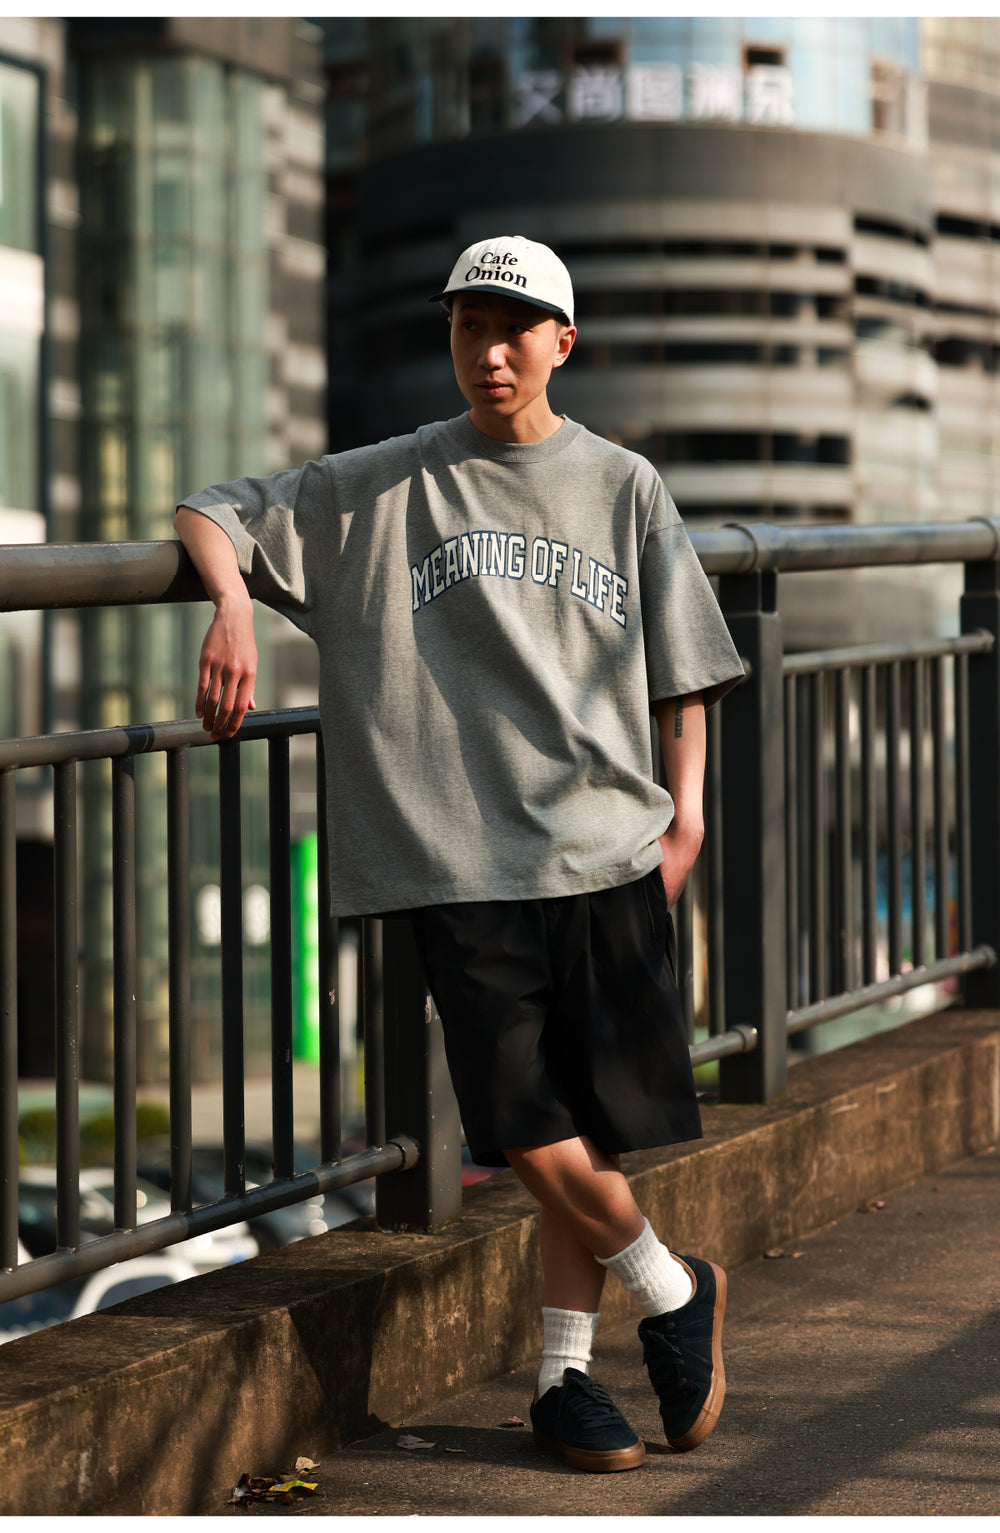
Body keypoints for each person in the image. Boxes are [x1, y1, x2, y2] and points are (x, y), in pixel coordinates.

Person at [174, 235, 745, 1474]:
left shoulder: (623, 485)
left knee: (582, 1131)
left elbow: (685, 666)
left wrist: (688, 814)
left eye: (513, 328)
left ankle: (561, 1383)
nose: (488, 352)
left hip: (604, 840)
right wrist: (230, 605)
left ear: (561, 342)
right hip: (457, 854)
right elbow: (213, 510)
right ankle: (672, 1285)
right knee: (522, 1123)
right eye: (467, 327)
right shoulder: (380, 482)